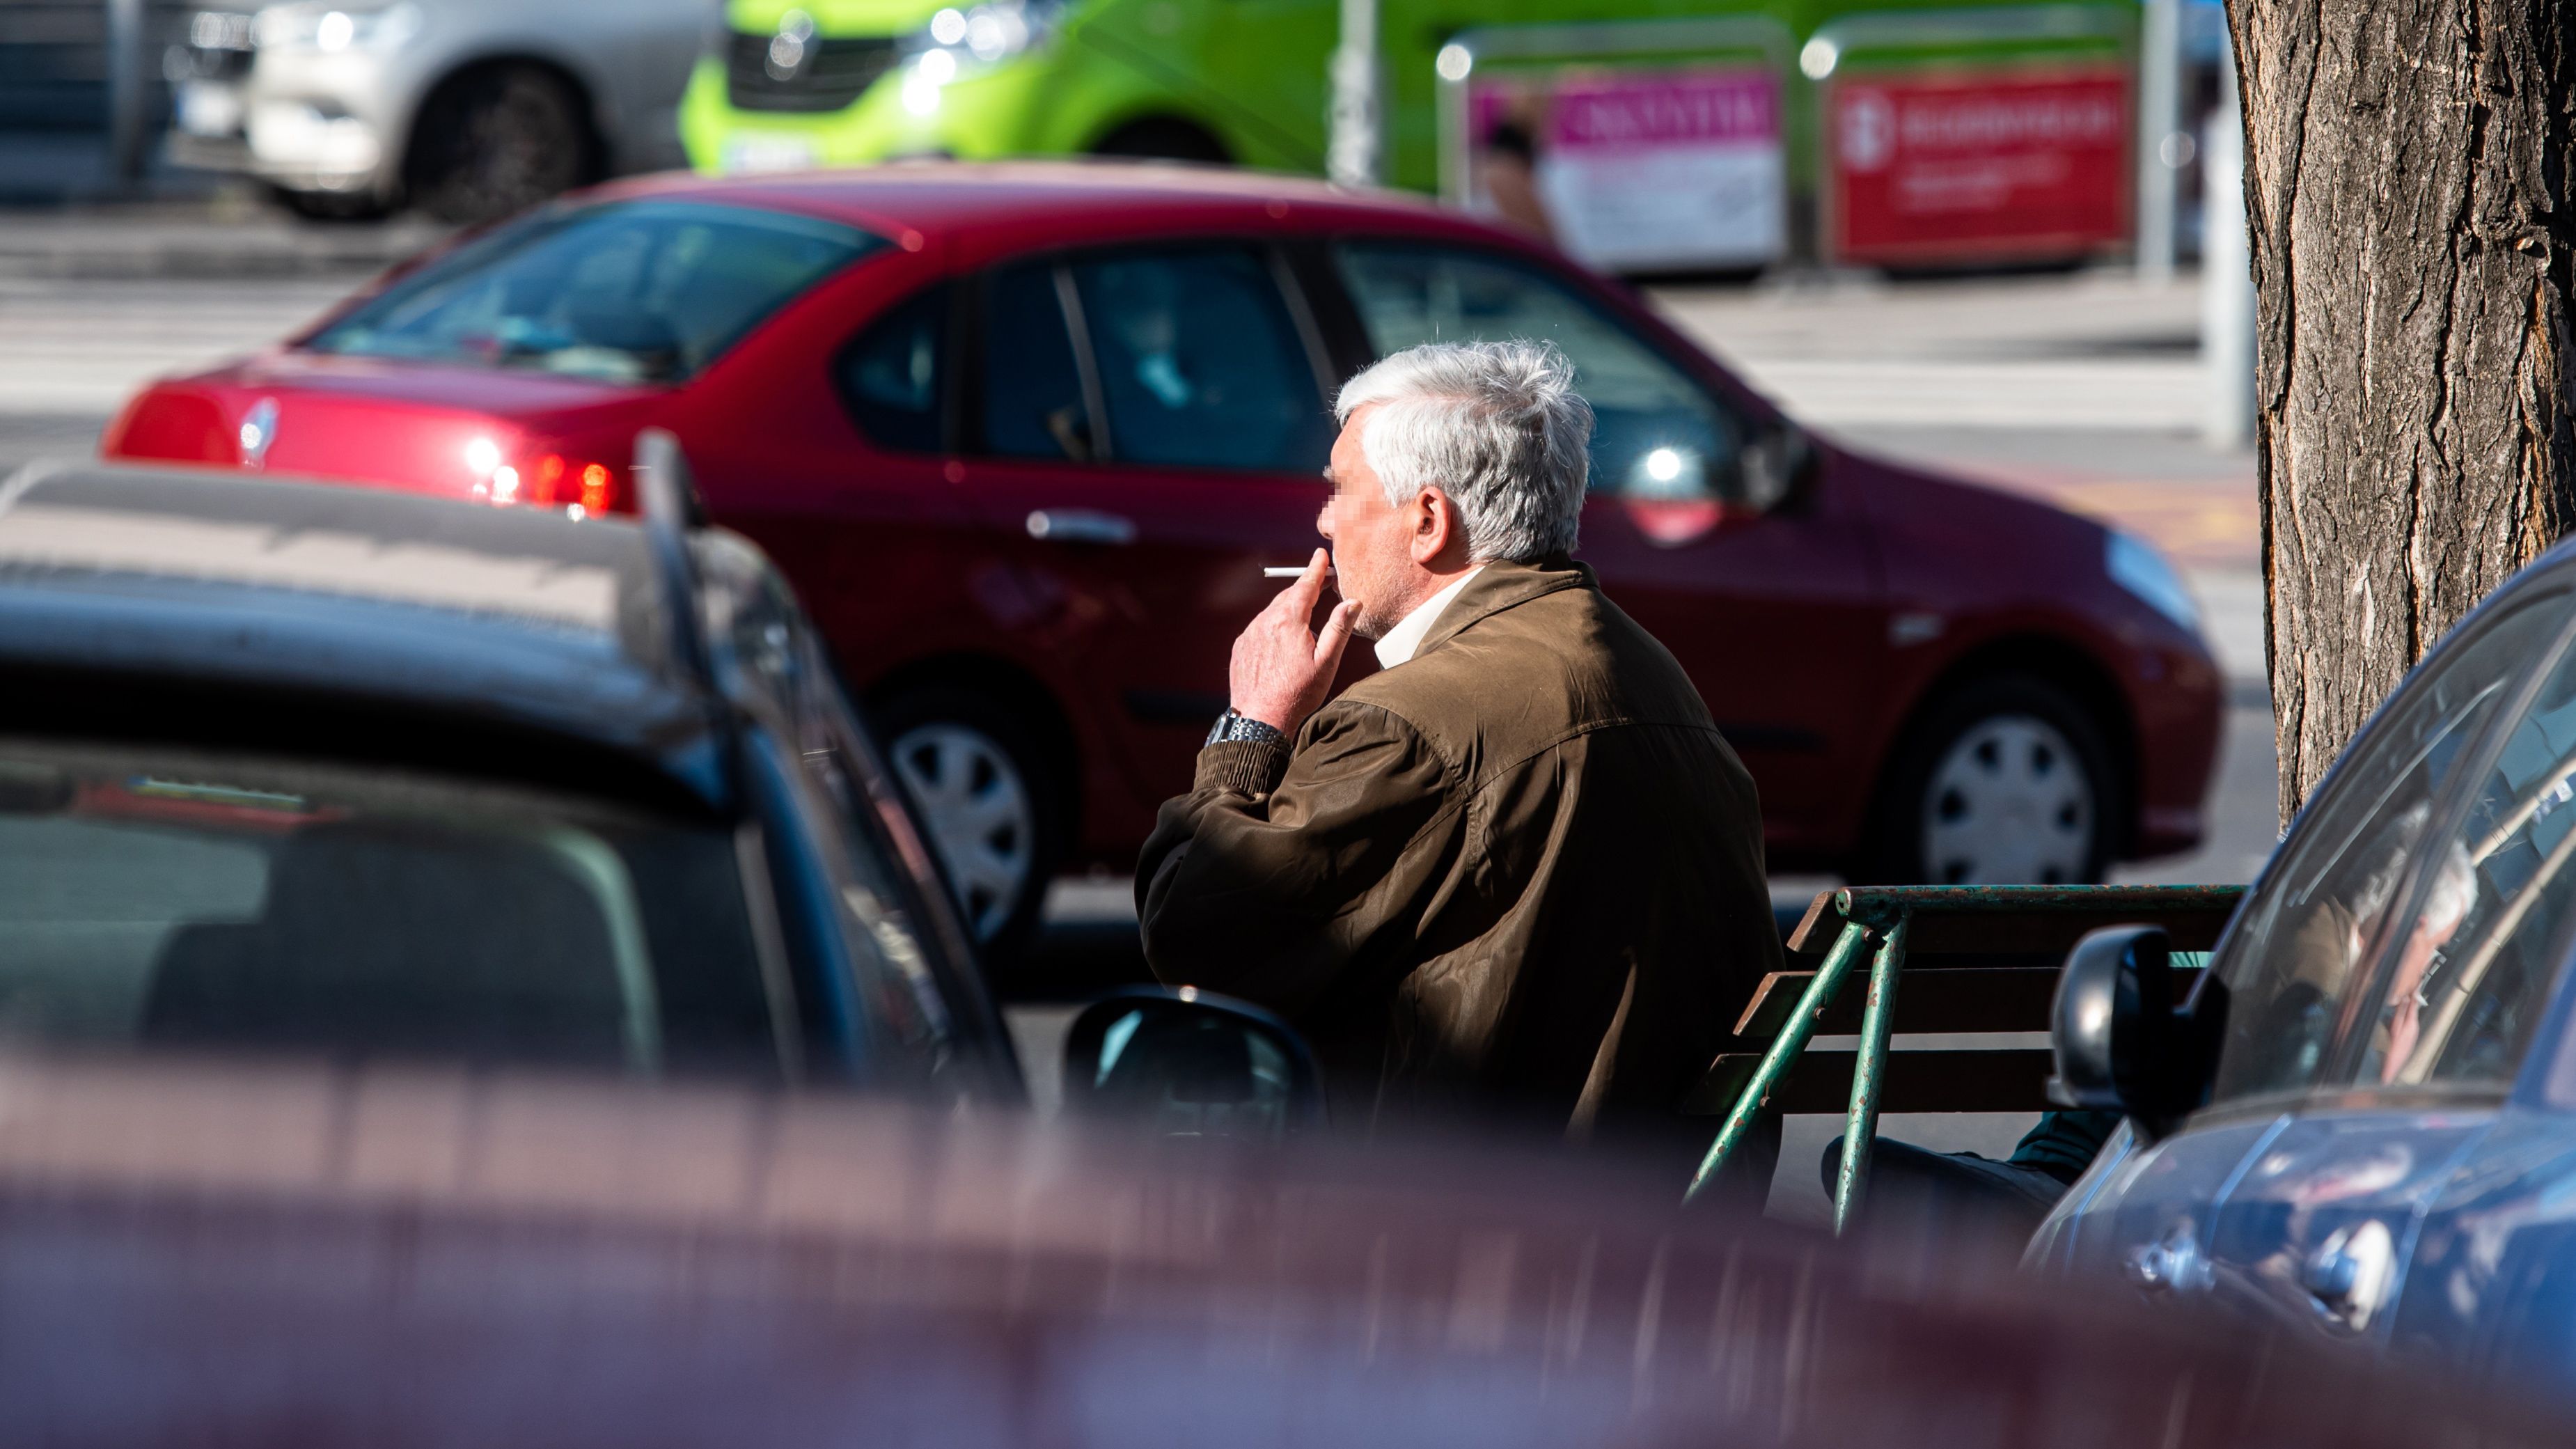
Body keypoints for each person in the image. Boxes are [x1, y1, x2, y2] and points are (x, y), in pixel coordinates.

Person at [1136, 340, 1782, 1179]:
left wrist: (1251, 725)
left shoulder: (1404, 726)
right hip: (1670, 1229)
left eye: (1339, 490)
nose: (1323, 521)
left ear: (1428, 520)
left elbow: (1194, 935)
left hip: (1462, 1238)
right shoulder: (1652, 675)